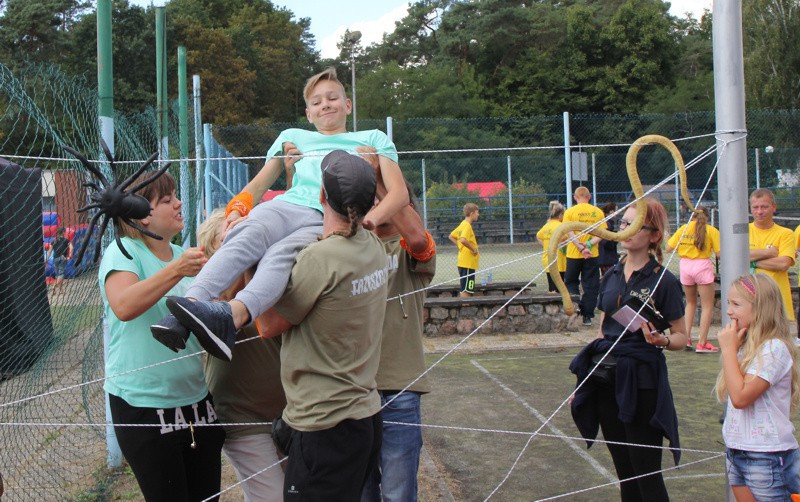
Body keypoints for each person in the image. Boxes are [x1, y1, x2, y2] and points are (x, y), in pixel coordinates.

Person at [152, 67, 408, 361]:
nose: (325, 104)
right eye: (316, 101)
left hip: (324, 215)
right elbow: (260, 183)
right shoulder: (292, 137)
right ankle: (187, 308)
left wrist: (365, 222)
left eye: (332, 98)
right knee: (248, 231)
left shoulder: (373, 139)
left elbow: (398, 193)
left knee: (281, 255)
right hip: (287, 205)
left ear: (348, 105)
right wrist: (237, 210)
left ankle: (232, 318)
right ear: (308, 114)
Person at [258, 150, 388, 500]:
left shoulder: (319, 258)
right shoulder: (373, 246)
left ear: (319, 196)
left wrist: (254, 266)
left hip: (324, 425)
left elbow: (267, 325)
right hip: (364, 416)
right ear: (370, 200)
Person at [98, 171, 225, 501]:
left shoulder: (183, 253)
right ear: (141, 213)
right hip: (143, 404)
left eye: (176, 196)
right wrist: (177, 271)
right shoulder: (124, 252)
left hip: (196, 399)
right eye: (166, 200)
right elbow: (124, 305)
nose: (179, 203)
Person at [569, 198, 687, 502]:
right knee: (625, 472)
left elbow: (682, 336)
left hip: (642, 381)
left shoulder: (664, 280)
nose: (625, 229)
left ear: (654, 236)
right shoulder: (610, 275)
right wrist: (588, 379)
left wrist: (663, 341)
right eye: (624, 223)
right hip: (608, 380)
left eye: (635, 224)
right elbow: (603, 329)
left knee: (646, 472)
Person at [196, 208, 286, 502]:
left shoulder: (272, 273)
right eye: (233, 240)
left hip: (290, 413)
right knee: (271, 497)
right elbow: (223, 309)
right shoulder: (209, 292)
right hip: (241, 415)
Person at [362, 174, 436, 501]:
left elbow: (418, 240)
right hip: (353, 390)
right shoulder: (352, 248)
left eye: (385, 199)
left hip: (400, 390)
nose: (376, 204)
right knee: (360, 491)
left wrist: (380, 177)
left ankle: (469, 289)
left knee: (398, 493)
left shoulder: (410, 246)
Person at [715, 273, 800, 501]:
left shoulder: (774, 349)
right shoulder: (744, 346)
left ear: (761, 308)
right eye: (728, 303)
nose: (729, 311)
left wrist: (728, 351)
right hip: (738, 448)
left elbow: (741, 398)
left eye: (736, 304)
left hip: (768, 453)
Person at [665, 205, 721, 353]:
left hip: (685, 266)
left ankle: (687, 338)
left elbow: (668, 248)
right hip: (702, 265)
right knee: (707, 305)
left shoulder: (684, 228)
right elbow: (719, 253)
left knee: (690, 303)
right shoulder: (711, 230)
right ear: (707, 217)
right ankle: (702, 343)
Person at [748, 188, 795, 326]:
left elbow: (783, 264)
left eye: (764, 207)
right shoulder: (743, 231)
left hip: (777, 301)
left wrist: (753, 262)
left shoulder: (785, 233)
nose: (760, 211)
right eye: (755, 207)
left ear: (773, 207)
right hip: (750, 299)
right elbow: (735, 256)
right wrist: (768, 253)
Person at [563, 187, 607, 326]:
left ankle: (575, 309)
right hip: (592, 254)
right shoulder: (598, 212)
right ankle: (588, 315)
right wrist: (588, 244)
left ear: (575, 197)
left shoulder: (570, 212)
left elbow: (569, 232)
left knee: (571, 282)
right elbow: (602, 233)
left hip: (573, 254)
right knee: (590, 284)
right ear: (590, 196)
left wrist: (579, 246)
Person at [449, 203, 480, 298]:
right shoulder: (467, 226)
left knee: (466, 287)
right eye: (477, 212)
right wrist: (473, 249)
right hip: (467, 263)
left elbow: (451, 236)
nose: (478, 215)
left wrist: (460, 246)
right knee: (466, 288)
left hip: (465, 262)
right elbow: (462, 239)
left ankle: (466, 305)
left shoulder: (462, 224)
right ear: (471, 214)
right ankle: (466, 308)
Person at [536, 201, 567, 293]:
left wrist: (546, 246)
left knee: (551, 286)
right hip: (559, 260)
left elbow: (538, 236)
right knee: (560, 287)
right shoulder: (561, 226)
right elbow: (567, 239)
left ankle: (551, 304)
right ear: (561, 215)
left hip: (548, 259)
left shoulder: (546, 226)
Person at [46, 227, 73, 296]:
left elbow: (49, 251)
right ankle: (54, 286)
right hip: (63, 258)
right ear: (63, 233)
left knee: (57, 274)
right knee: (61, 274)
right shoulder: (66, 240)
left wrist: (46, 260)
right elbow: (71, 247)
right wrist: (69, 255)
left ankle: (61, 290)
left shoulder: (54, 241)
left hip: (55, 259)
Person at [597, 202, 619, 277]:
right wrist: (615, 239)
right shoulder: (607, 225)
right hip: (606, 257)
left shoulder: (604, 222)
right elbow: (606, 242)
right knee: (608, 276)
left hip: (603, 256)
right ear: (611, 211)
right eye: (616, 210)